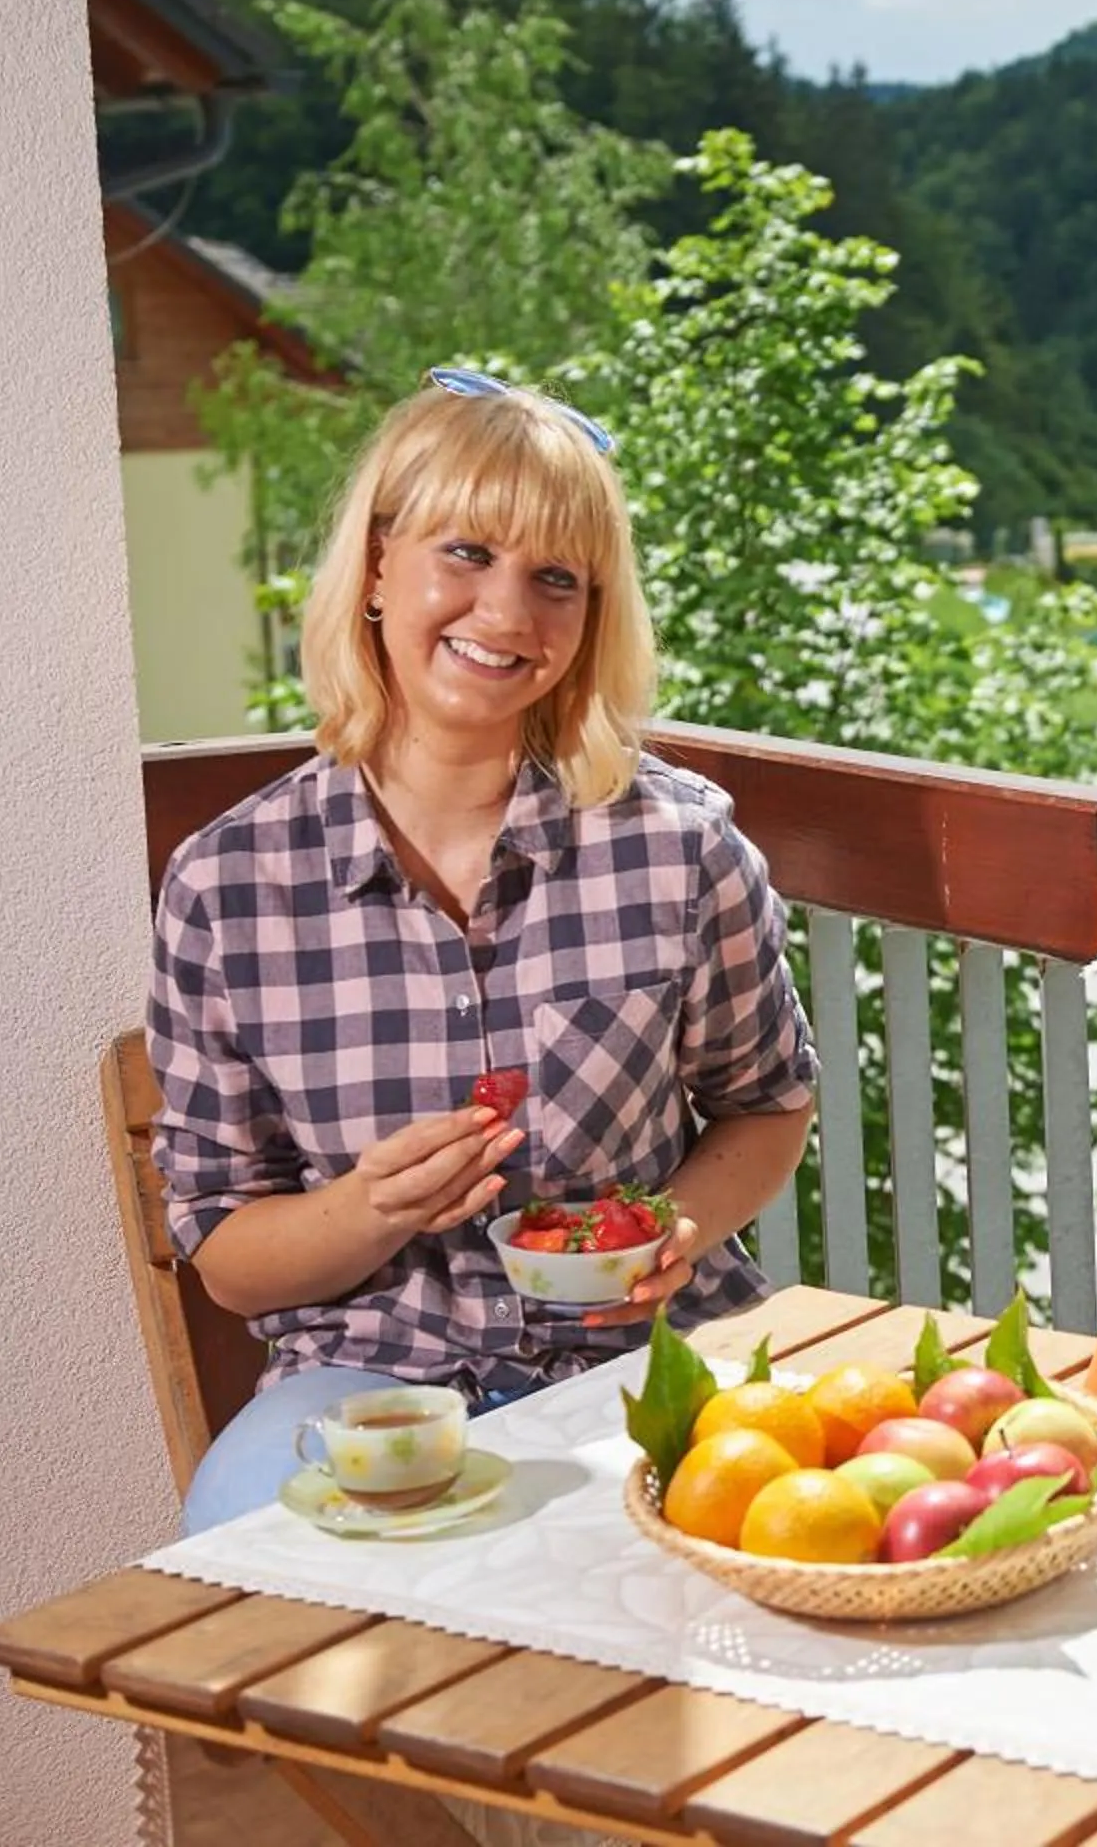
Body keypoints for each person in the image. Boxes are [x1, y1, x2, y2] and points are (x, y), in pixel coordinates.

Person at [151, 370, 820, 1533]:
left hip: (645, 1362)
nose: (507, 613)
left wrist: (673, 1229)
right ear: (375, 567)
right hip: (366, 1380)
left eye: (556, 579)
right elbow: (227, 1252)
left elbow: (766, 1106)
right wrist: (368, 1207)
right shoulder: (229, 885)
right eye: (466, 552)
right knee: (249, 1550)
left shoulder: (680, 850)